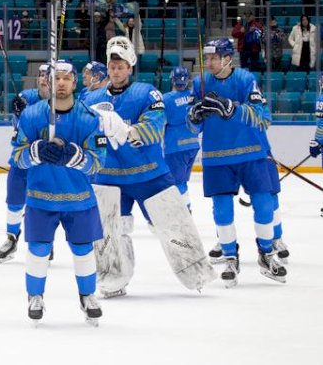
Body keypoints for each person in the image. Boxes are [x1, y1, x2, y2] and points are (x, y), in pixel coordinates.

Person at [85, 37, 214, 298]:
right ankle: (113, 278)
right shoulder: (93, 98)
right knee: (110, 232)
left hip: (150, 173)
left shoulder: (147, 93)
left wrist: (126, 130)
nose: (115, 71)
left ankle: (193, 269)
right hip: (108, 177)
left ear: (130, 66)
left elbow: (155, 127)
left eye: (121, 66)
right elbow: (81, 131)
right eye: (112, 65)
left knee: (171, 223)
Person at [12, 60, 106, 324]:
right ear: (48, 82)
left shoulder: (89, 118)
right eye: (57, 79)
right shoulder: (31, 116)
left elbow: (98, 161)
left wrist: (72, 155)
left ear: (75, 82)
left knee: (83, 249)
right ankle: (35, 296)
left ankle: (87, 295)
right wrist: (37, 151)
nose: (61, 83)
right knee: (39, 249)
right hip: (41, 197)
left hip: (79, 198)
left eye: (67, 78)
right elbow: (17, 158)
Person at [188, 38, 286, 287]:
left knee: (264, 205)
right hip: (216, 157)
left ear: (227, 58)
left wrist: (232, 107)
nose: (208, 62)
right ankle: (230, 257)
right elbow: (191, 127)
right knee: (222, 211)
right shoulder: (199, 83)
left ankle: (266, 254)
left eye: (213, 58)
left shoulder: (245, 80)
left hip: (252, 153)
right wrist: (194, 117)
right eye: (206, 58)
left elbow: (263, 118)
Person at [0, 64, 50, 263]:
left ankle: (44, 240)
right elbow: (18, 125)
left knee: (44, 204)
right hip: (22, 159)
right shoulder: (27, 96)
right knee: (14, 201)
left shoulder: (60, 102)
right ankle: (11, 239)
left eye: (47, 75)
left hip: (47, 164)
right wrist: (17, 111)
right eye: (41, 74)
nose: (43, 78)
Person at [162, 67, 199, 207]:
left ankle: (185, 209)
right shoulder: (193, 97)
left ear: (172, 79)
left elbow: (160, 122)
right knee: (181, 181)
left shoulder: (166, 99)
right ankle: (183, 207)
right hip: (193, 145)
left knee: (177, 182)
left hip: (175, 147)